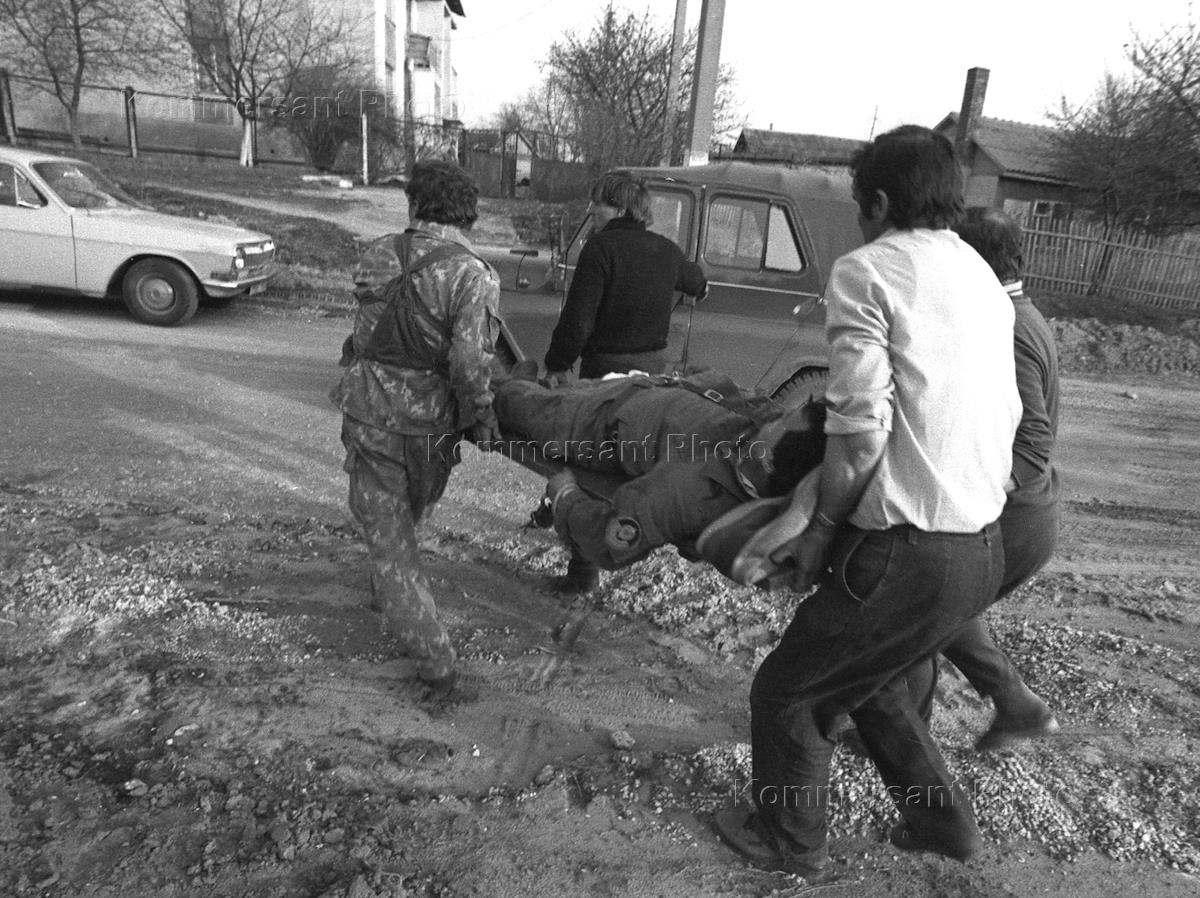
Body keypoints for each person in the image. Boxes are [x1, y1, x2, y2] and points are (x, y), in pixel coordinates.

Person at [713, 126, 1022, 880]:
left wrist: (817, 528)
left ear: (878, 203)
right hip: (982, 546)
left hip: (906, 552)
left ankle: (789, 841)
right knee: (872, 678)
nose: (860, 219)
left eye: (860, 206)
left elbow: (859, 432)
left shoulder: (868, 271)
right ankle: (944, 825)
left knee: (789, 693)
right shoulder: (982, 277)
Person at [330, 158, 502, 698]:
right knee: (404, 534)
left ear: (414, 205)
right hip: (429, 431)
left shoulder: (376, 253)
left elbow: (364, 333)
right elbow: (470, 364)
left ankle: (392, 590)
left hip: (368, 416)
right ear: (469, 214)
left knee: (390, 538)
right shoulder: (473, 274)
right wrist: (481, 417)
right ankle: (437, 665)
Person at [542, 172, 708, 594]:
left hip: (603, 375)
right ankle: (618, 534)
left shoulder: (600, 249)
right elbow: (698, 283)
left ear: (618, 208)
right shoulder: (666, 250)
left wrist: (557, 365)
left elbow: (578, 320)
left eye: (597, 203)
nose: (591, 210)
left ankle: (583, 570)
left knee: (591, 464)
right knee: (628, 459)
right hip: (651, 376)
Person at [937, 206, 1063, 750]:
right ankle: (896, 727)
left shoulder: (1007, 328)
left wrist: (964, 492)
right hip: (1026, 513)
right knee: (926, 617)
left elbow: (1032, 448)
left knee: (928, 606)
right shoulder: (1021, 314)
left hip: (1014, 517)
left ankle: (1020, 706)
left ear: (972, 262)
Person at [492, 368, 826, 571]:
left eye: (781, 421)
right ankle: (525, 380)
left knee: (517, 405)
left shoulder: (689, 492)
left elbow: (608, 542)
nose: (776, 415)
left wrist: (565, 495)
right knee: (554, 392)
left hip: (599, 423)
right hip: (651, 387)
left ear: (767, 461)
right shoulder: (777, 443)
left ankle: (504, 384)